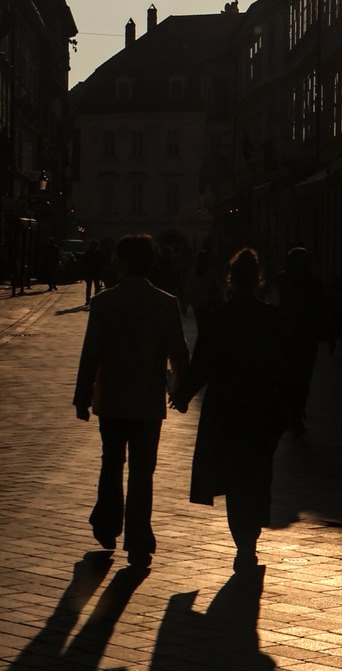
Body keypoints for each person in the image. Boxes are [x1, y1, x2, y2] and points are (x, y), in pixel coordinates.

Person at [74, 233, 189, 567]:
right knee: (143, 470)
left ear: (122, 263)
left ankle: (108, 524)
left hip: (111, 398)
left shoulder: (104, 302)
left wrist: (83, 398)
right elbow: (179, 354)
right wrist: (180, 391)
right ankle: (139, 538)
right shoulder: (166, 303)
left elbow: (90, 354)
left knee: (112, 461)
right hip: (148, 401)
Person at [174, 248, 289, 573]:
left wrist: (183, 395)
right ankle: (249, 543)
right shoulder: (272, 319)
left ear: (230, 280)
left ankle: (242, 544)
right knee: (255, 476)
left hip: (225, 408)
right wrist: (290, 410)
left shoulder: (218, 319)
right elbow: (285, 368)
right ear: (258, 281)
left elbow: (203, 365)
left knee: (233, 477)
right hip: (260, 408)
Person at [278, 247, 335, 433]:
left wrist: (329, 334)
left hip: (305, 336)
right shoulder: (286, 281)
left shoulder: (309, 283)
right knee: (294, 375)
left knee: (303, 376)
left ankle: (297, 408)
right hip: (293, 335)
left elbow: (323, 310)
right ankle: (295, 411)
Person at [150, 243, 185, 309]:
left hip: (158, 295)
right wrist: (182, 301)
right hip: (170, 295)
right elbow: (179, 285)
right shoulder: (174, 268)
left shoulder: (156, 267)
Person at [82, 239, 103, 306]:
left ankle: (88, 299)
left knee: (90, 286)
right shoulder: (98, 253)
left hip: (90, 271)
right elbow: (101, 263)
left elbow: (84, 263)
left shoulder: (88, 253)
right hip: (95, 271)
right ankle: (94, 299)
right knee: (95, 286)